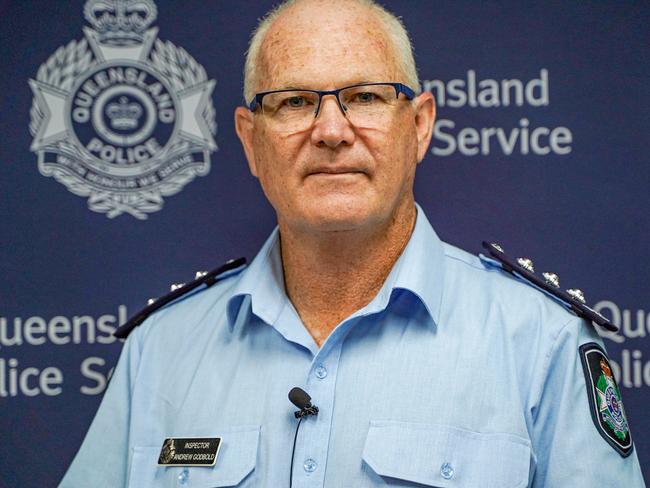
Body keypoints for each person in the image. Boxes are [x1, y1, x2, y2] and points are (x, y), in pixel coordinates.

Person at [60, 0, 646, 486]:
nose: (332, 132)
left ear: (418, 125)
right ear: (249, 140)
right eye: (294, 102)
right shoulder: (160, 352)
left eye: (365, 96)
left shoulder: (540, 343)